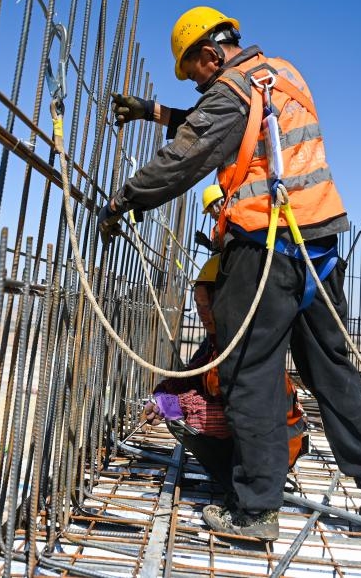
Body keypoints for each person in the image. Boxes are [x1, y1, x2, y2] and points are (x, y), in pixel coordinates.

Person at [97, 6, 361, 540]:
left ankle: (256, 509)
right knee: (333, 369)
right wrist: (151, 110)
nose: (196, 80)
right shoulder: (283, 73)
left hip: (266, 250)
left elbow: (188, 154)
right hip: (320, 248)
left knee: (249, 374)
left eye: (194, 71)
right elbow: (219, 120)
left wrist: (125, 199)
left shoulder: (231, 90)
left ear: (211, 53)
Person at [141, 186, 307, 496]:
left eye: (208, 306)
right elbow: (192, 375)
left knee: (187, 419)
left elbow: (227, 416)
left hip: (279, 447)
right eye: (199, 305)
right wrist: (162, 394)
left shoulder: (243, 347)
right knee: (181, 406)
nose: (202, 314)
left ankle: (248, 491)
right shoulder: (216, 343)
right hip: (267, 441)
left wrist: (175, 406)